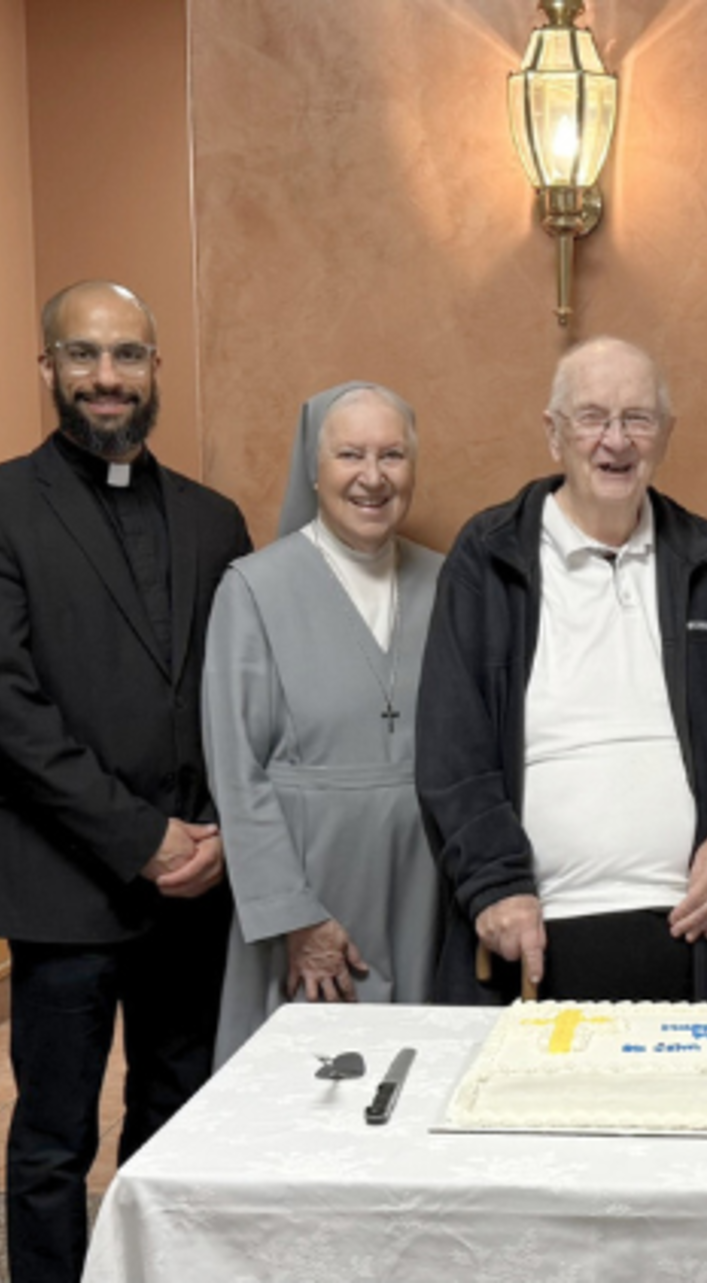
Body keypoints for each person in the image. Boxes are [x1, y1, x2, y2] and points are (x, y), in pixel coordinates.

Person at [0, 282, 253, 1283]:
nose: (105, 377)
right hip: (67, 881)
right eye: (82, 355)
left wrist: (214, 834)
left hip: (196, 884)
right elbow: (3, 707)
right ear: (48, 371)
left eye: (125, 355)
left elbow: (236, 692)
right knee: (51, 1138)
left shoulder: (214, 519)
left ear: (156, 368)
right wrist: (141, 836)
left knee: (174, 1112)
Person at [417, 336, 707, 1002]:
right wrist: (494, 883)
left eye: (638, 418)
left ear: (665, 435)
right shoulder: (486, 560)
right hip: (535, 940)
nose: (616, 439)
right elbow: (449, 744)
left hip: (704, 941)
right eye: (593, 416)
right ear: (553, 433)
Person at [208, 382, 442, 1064]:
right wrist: (293, 915)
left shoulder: (449, 582)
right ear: (314, 469)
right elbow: (236, 771)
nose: (373, 476)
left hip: (426, 889)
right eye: (350, 454)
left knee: (419, 1078)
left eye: (393, 454)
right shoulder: (253, 589)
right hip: (312, 891)